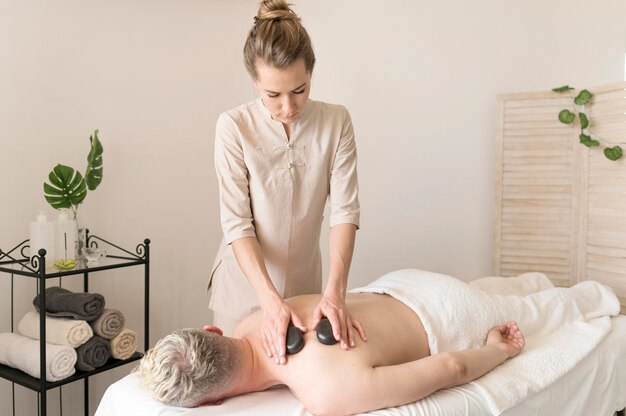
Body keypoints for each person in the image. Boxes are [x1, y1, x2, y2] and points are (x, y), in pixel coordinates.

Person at [138, 269, 540, 415]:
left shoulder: (326, 394)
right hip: (402, 281)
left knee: (544, 307)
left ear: (212, 402)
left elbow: (450, 368)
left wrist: (497, 349)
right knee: (523, 291)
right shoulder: (258, 315)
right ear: (214, 332)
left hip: (451, 311)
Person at [209, 0, 363, 366]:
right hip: (243, 289)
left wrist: (336, 291)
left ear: (312, 72)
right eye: (272, 95)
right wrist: (270, 301)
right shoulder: (233, 127)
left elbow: (345, 210)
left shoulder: (336, 121)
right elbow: (236, 223)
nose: (288, 107)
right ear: (254, 82)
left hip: (308, 287)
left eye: (300, 90)